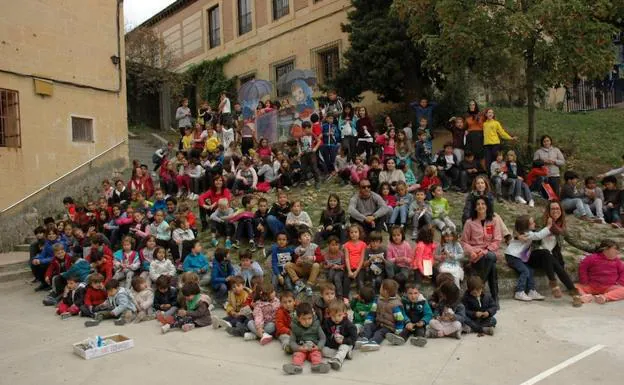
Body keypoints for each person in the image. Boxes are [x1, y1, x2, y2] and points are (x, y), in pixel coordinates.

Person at [530, 201, 579, 301]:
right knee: (546, 253)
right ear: (548, 210)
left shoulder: (561, 226)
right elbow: (525, 231)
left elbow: (574, 242)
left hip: (549, 256)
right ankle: (554, 284)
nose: (555, 211)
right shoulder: (540, 221)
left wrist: (594, 249)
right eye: (553, 209)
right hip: (534, 255)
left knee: (558, 265)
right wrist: (547, 226)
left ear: (561, 211)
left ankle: (574, 293)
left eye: (557, 209)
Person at [461, 196, 501, 304]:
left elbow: (497, 240)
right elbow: (464, 241)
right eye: (478, 204)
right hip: (475, 254)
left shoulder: (494, 220)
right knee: (492, 267)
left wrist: (485, 251)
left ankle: (477, 287)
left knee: (490, 256)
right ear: (474, 207)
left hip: (489, 251)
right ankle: (495, 298)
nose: (480, 206)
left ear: (487, 206)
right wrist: (472, 252)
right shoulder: (469, 222)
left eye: (483, 204)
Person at [505, 215, 549, 301]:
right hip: (512, 256)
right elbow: (539, 235)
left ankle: (531, 290)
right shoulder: (527, 233)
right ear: (526, 226)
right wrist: (549, 227)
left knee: (530, 270)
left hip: (517, 257)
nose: (534, 223)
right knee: (524, 271)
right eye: (532, 223)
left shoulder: (523, 232)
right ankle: (519, 291)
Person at [358, 279, 407, 351]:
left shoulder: (395, 305)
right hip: (378, 322)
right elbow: (372, 312)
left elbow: (399, 319)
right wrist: (369, 319)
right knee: (368, 326)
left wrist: (398, 330)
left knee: (379, 333)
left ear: (385, 291)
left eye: (381, 287)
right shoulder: (377, 300)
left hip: (389, 327)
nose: (379, 289)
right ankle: (365, 338)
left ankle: (374, 342)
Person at [283, 302, 330, 375]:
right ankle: (296, 366)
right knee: (298, 355)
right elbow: (292, 341)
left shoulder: (316, 325)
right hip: (302, 348)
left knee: (316, 354)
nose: (307, 321)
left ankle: (317, 366)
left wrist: (318, 347)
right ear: (298, 318)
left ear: (313, 316)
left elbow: (323, 338)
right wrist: (298, 348)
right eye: (303, 319)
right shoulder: (295, 327)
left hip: (313, 348)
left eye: (309, 318)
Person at [575, 239, 624, 305]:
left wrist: (619, 282)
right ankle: (585, 296)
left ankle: (605, 297)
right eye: (615, 249)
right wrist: (584, 281)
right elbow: (582, 269)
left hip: (609, 287)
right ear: (605, 249)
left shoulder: (617, 261)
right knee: (574, 286)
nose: (617, 252)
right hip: (591, 286)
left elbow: (622, 272)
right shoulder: (592, 258)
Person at [321, 299, 358, 370]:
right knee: (323, 350)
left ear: (344, 313)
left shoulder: (348, 325)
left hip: (345, 343)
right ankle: (345, 355)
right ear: (329, 315)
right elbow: (324, 335)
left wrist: (343, 340)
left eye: (339, 315)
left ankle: (337, 360)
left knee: (344, 347)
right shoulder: (327, 322)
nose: (336, 318)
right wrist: (329, 342)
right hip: (332, 346)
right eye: (333, 316)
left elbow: (354, 338)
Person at [286, 229, 322, 297]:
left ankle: (309, 285)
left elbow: (321, 258)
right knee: (288, 265)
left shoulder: (315, 246)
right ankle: (298, 283)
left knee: (316, 265)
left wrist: (313, 257)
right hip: (302, 269)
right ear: (300, 239)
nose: (307, 237)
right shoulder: (297, 250)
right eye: (304, 236)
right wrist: (298, 261)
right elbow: (295, 261)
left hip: (311, 269)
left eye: (308, 235)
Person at [385, 226, 414, 291]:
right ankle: (391, 282)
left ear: (402, 235)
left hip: (405, 266)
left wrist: (404, 259)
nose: (396, 237)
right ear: (391, 237)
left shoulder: (406, 245)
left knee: (401, 277)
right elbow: (388, 259)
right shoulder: (390, 245)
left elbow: (411, 259)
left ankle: (401, 288)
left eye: (398, 235)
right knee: (388, 264)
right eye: (394, 235)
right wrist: (396, 259)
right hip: (395, 266)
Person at [343, 224, 367, 297]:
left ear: (359, 233)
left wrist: (356, 271)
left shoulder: (363, 244)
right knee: (346, 282)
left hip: (360, 268)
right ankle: (345, 298)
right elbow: (346, 258)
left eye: (356, 232)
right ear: (349, 234)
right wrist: (349, 271)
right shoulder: (347, 245)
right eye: (351, 232)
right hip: (349, 268)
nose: (354, 234)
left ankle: (362, 299)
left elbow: (362, 259)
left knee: (360, 282)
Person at [299, 121, 321, 189]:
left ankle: (317, 181)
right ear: (303, 128)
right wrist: (300, 151)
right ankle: (303, 181)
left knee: (314, 168)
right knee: (303, 168)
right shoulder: (300, 136)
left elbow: (319, 141)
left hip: (311, 153)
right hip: (304, 154)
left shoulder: (312, 134)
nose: (307, 130)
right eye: (305, 128)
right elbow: (299, 144)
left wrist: (315, 148)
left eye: (308, 128)